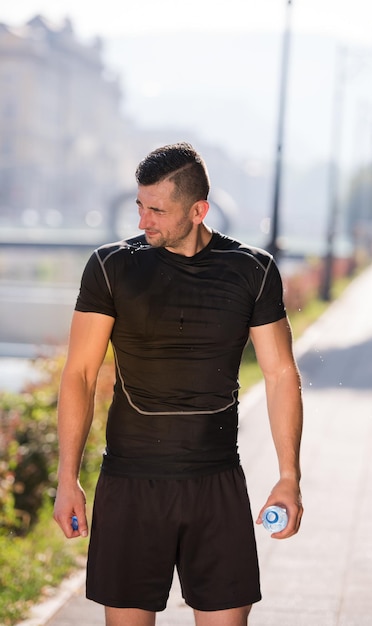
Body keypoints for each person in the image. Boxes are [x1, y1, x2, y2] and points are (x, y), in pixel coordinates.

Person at [54, 142, 303, 626]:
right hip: (130, 485)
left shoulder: (252, 270)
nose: (144, 220)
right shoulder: (111, 266)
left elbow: (279, 374)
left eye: (158, 210)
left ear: (198, 210)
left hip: (216, 483)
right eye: (140, 206)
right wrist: (68, 479)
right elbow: (79, 375)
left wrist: (289, 477)